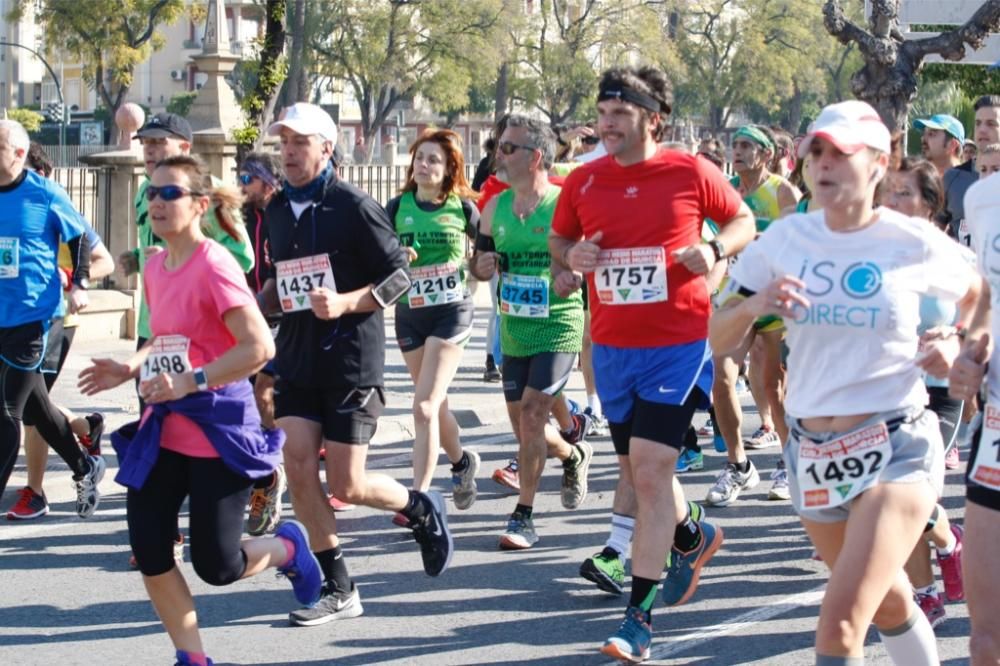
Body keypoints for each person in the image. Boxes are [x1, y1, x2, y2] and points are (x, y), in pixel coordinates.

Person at [710, 100, 981, 666]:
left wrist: (955, 345)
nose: (825, 163)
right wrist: (756, 303)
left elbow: (979, 298)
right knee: (886, 603)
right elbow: (718, 333)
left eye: (843, 153)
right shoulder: (785, 240)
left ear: (880, 163)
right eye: (817, 151)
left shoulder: (912, 241)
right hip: (812, 452)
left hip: (896, 446)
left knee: (838, 626)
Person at [79, 155, 320, 666]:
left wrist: (191, 380)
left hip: (218, 430)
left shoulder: (214, 265)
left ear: (200, 205)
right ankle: (192, 658)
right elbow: (168, 337)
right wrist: (132, 366)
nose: (157, 203)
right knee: (149, 550)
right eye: (152, 193)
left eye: (171, 194)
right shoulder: (154, 263)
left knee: (218, 566)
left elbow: (259, 348)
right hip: (164, 427)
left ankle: (289, 549)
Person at [548, 66, 755, 662]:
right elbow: (561, 247)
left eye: (619, 113)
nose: (606, 123)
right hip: (612, 348)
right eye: (602, 112)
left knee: (649, 469)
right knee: (645, 475)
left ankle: (637, 620)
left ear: (652, 118)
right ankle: (693, 533)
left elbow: (743, 221)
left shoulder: (690, 171)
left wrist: (714, 247)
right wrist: (573, 257)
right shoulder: (584, 181)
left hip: (677, 341)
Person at [257, 103, 453, 626]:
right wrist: (263, 302)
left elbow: (399, 280)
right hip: (297, 358)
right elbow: (283, 280)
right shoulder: (275, 211)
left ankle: (417, 506)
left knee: (347, 484)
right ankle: (338, 586)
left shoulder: (355, 206)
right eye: (284, 143)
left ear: (326, 147)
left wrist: (346, 302)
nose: (290, 152)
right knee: (297, 464)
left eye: (301, 142)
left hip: (349, 361)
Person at [469, 114, 592, 550]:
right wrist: (480, 267)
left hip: (558, 323)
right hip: (514, 327)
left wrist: (572, 274)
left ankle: (524, 515)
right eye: (498, 146)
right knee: (526, 428)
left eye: (507, 148)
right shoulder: (493, 209)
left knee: (534, 412)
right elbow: (480, 263)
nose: (496, 156)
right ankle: (573, 453)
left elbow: (584, 255)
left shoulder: (563, 203)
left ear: (536, 157)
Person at [0, 119, 105, 518]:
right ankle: (84, 466)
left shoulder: (44, 193)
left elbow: (79, 238)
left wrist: (79, 284)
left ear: (19, 154)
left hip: (33, 317)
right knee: (36, 408)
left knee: (7, 409)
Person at [882, 157, 966, 628]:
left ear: (931, 203)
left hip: (941, 391)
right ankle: (930, 583)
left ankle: (946, 552)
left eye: (904, 193)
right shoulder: (874, 256)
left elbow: (983, 314)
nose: (892, 203)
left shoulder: (949, 255)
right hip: (893, 391)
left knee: (906, 494)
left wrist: (952, 336)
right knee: (897, 492)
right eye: (888, 193)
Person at [385, 129, 481, 512]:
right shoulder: (396, 208)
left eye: (433, 160)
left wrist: (478, 265)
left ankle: (419, 498)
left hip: (451, 312)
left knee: (423, 406)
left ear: (449, 169)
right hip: (410, 316)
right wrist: (396, 256)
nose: (423, 166)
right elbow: (377, 257)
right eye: (419, 158)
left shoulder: (462, 208)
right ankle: (461, 462)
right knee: (435, 405)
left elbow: (488, 253)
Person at [707, 125, 800, 508]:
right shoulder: (725, 189)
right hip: (735, 294)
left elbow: (797, 240)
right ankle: (738, 464)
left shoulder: (782, 191)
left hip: (774, 297)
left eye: (747, 145)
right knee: (722, 377)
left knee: (774, 386)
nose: (739, 151)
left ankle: (787, 461)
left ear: (766, 153)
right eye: (736, 145)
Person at [950, 167, 1000, 666]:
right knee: (986, 640)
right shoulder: (985, 199)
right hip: (998, 427)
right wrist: (972, 348)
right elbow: (987, 296)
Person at [238, 152, 288, 536]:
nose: (241, 185)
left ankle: (270, 475)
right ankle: (266, 473)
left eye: (248, 179)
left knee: (264, 395)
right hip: (248, 320)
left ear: (267, 182)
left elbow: (275, 276)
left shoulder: (283, 214)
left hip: (284, 320)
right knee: (246, 400)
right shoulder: (238, 217)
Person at [914, 113, 977, 246]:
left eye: (932, 134)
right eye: (924, 134)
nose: (923, 139)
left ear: (952, 145)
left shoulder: (972, 182)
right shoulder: (918, 183)